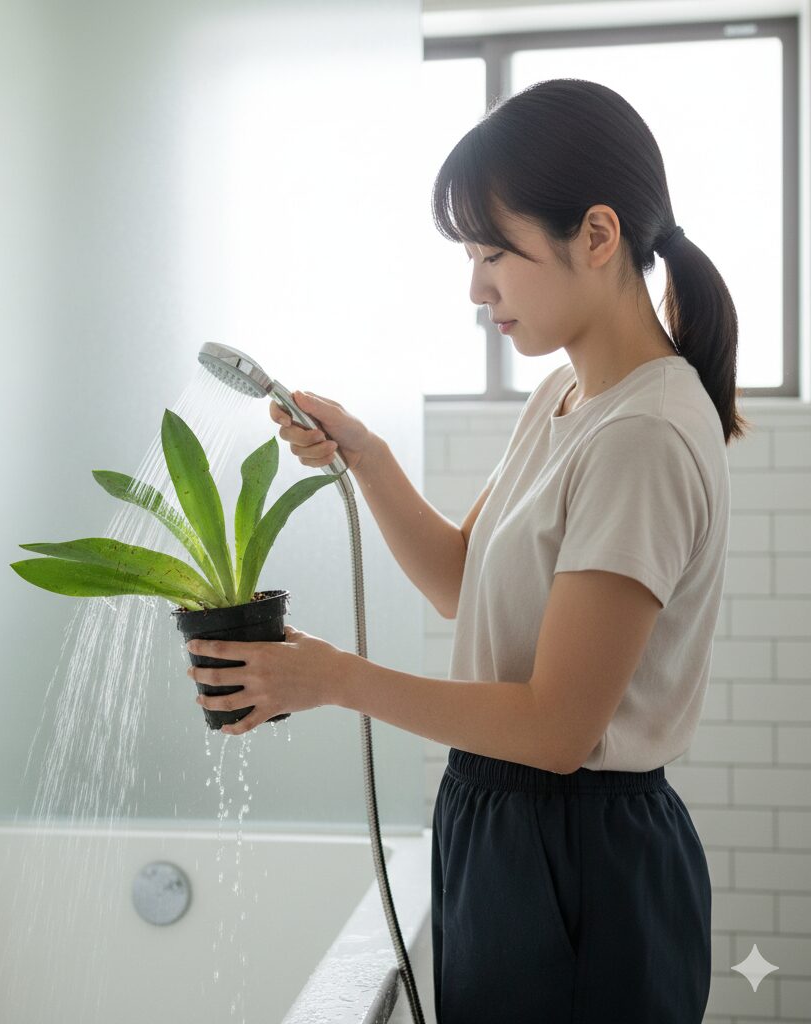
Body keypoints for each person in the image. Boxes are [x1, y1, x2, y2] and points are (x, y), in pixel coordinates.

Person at [185, 77, 744, 1023]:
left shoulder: (643, 435)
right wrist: (366, 455)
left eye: (495, 252)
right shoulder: (566, 398)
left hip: (578, 857)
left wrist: (331, 678)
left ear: (598, 237)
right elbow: (459, 581)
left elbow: (556, 729)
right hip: (509, 830)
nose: (476, 286)